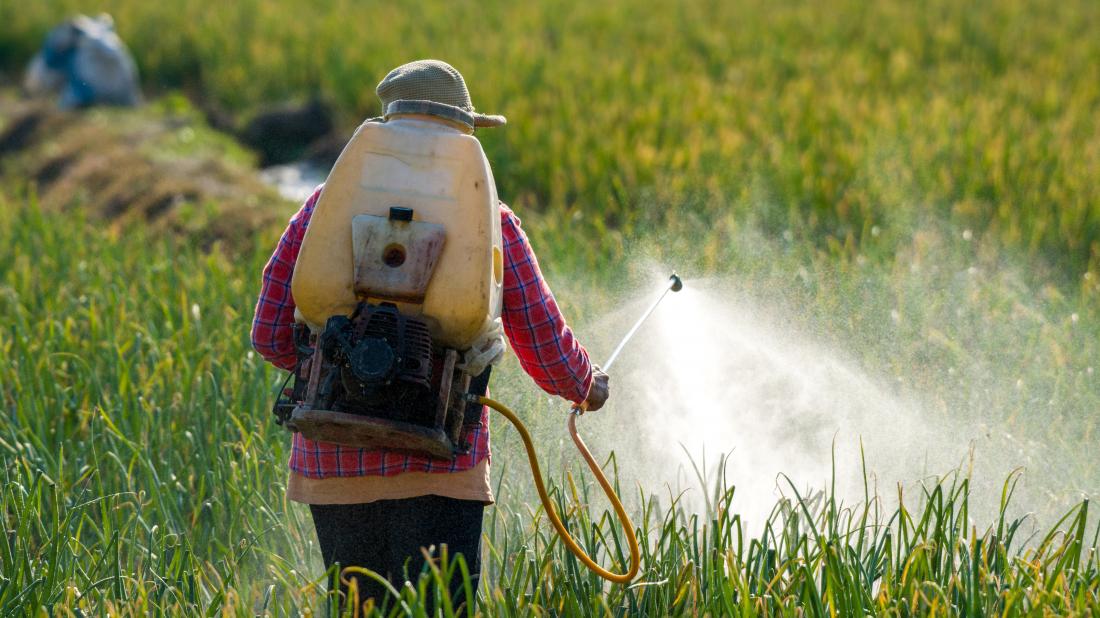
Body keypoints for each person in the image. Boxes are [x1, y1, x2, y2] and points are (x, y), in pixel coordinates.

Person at [250, 59, 609, 610]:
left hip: (333, 465)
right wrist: (586, 386)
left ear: (388, 127)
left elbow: (270, 335)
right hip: (441, 466)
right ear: (463, 133)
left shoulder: (322, 210)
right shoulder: (492, 222)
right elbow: (542, 339)